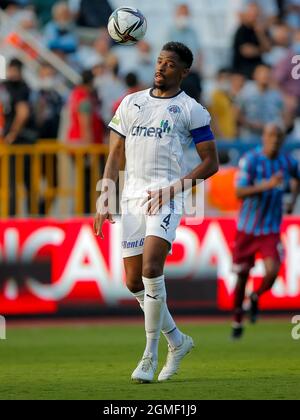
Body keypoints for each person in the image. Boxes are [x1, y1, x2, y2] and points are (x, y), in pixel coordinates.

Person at [93, 42, 219, 383]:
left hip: (168, 196)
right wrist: (106, 195)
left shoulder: (192, 110)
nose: (161, 67)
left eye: (170, 64)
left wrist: (174, 188)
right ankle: (177, 340)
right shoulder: (131, 102)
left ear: (183, 71)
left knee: (151, 269)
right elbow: (115, 151)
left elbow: (211, 163)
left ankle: (149, 356)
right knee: (133, 281)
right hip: (132, 198)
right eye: (159, 61)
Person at [231, 123, 300, 339]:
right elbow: (239, 192)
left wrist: (292, 201)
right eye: (271, 135)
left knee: (272, 271)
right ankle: (237, 321)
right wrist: (267, 185)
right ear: (263, 137)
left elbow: (298, 176)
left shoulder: (287, 161)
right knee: (242, 276)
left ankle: (255, 295)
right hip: (247, 230)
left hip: (270, 229)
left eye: (279, 136)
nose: (275, 140)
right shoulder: (251, 160)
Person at [1, 58, 37, 215]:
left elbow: (23, 113)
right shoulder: (10, 87)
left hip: (19, 143)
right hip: (20, 142)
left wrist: (12, 134)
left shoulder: (20, 88)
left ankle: (13, 216)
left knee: (14, 183)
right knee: (19, 183)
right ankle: (30, 214)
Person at [237, 64, 285, 141]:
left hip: (271, 136)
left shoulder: (276, 94)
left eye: (267, 73)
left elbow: (283, 114)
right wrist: (249, 124)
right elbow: (236, 112)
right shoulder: (246, 91)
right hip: (250, 135)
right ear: (254, 75)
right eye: (262, 73)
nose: (265, 75)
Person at [232, 2, 271, 79]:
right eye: (252, 13)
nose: (255, 16)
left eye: (257, 14)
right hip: (243, 68)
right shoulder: (241, 30)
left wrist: (260, 34)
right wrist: (262, 50)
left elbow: (269, 48)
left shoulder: (261, 29)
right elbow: (247, 51)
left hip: (259, 65)